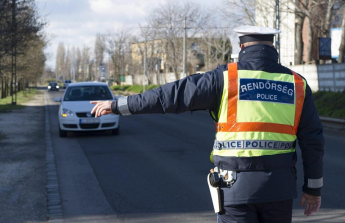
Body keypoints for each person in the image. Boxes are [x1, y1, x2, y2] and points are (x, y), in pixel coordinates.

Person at [90, 26, 324, 223]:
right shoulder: (297, 84)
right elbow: (313, 141)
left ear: (242, 47)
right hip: (279, 191)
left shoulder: (224, 79)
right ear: (273, 47)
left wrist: (118, 105)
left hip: (235, 190)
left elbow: (169, 96)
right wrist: (312, 190)